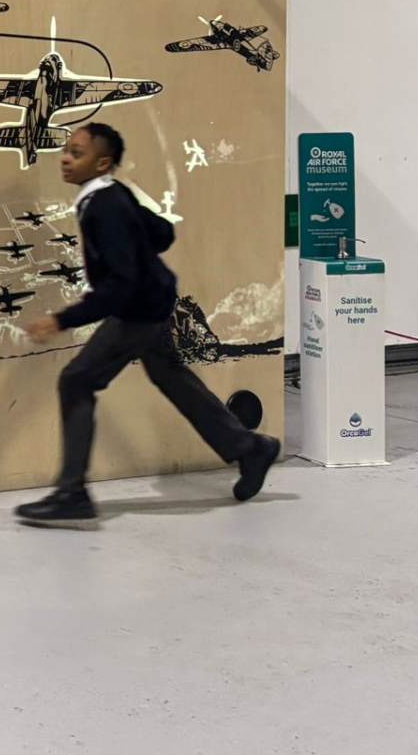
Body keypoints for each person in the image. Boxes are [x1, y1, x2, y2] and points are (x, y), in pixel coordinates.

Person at [16, 122, 281, 528]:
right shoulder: (113, 194)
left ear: (102, 163)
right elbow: (163, 233)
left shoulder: (104, 206)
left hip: (137, 310)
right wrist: (136, 242)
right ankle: (249, 448)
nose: (65, 159)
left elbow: (120, 284)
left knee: (76, 380)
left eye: (77, 153)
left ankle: (72, 494)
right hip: (153, 301)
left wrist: (61, 320)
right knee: (171, 377)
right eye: (66, 150)